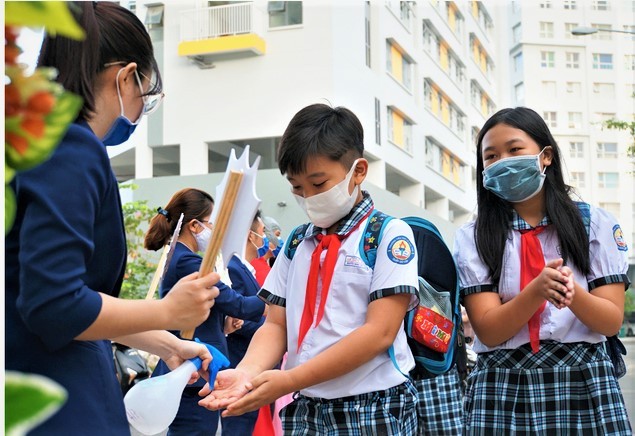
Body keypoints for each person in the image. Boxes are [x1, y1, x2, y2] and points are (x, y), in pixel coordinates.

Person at [5, 3, 219, 435]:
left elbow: (47, 297)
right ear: (125, 77)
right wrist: (164, 310)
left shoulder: (33, 141)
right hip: (60, 399)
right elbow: (56, 306)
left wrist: (162, 340)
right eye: (147, 94)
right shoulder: (72, 146)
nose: (142, 107)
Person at [199, 103, 420, 435]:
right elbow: (276, 325)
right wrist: (246, 372)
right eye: (297, 188)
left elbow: (380, 333)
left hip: (372, 406)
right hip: (307, 406)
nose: (308, 197)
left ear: (358, 171)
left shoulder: (387, 235)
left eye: (318, 183)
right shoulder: (297, 242)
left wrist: (289, 379)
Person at [454, 107, 631, 434]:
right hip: (503, 383)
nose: (503, 160)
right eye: (491, 156)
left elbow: (610, 321)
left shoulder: (594, 225)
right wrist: (535, 291)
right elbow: (489, 332)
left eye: (514, 149)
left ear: (545, 155)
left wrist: (571, 293)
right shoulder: (473, 237)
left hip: (583, 380)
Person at [144, 187, 266, 436]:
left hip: (190, 364)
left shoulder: (175, 256)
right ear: (195, 226)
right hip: (194, 367)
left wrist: (223, 324)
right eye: (211, 224)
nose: (214, 231)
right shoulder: (188, 261)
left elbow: (192, 312)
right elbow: (238, 304)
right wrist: (277, 296)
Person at [221, 211, 269, 435]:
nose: (265, 238)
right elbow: (236, 318)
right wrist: (271, 330)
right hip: (240, 359)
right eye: (262, 232)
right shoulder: (234, 268)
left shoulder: (245, 268)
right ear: (250, 235)